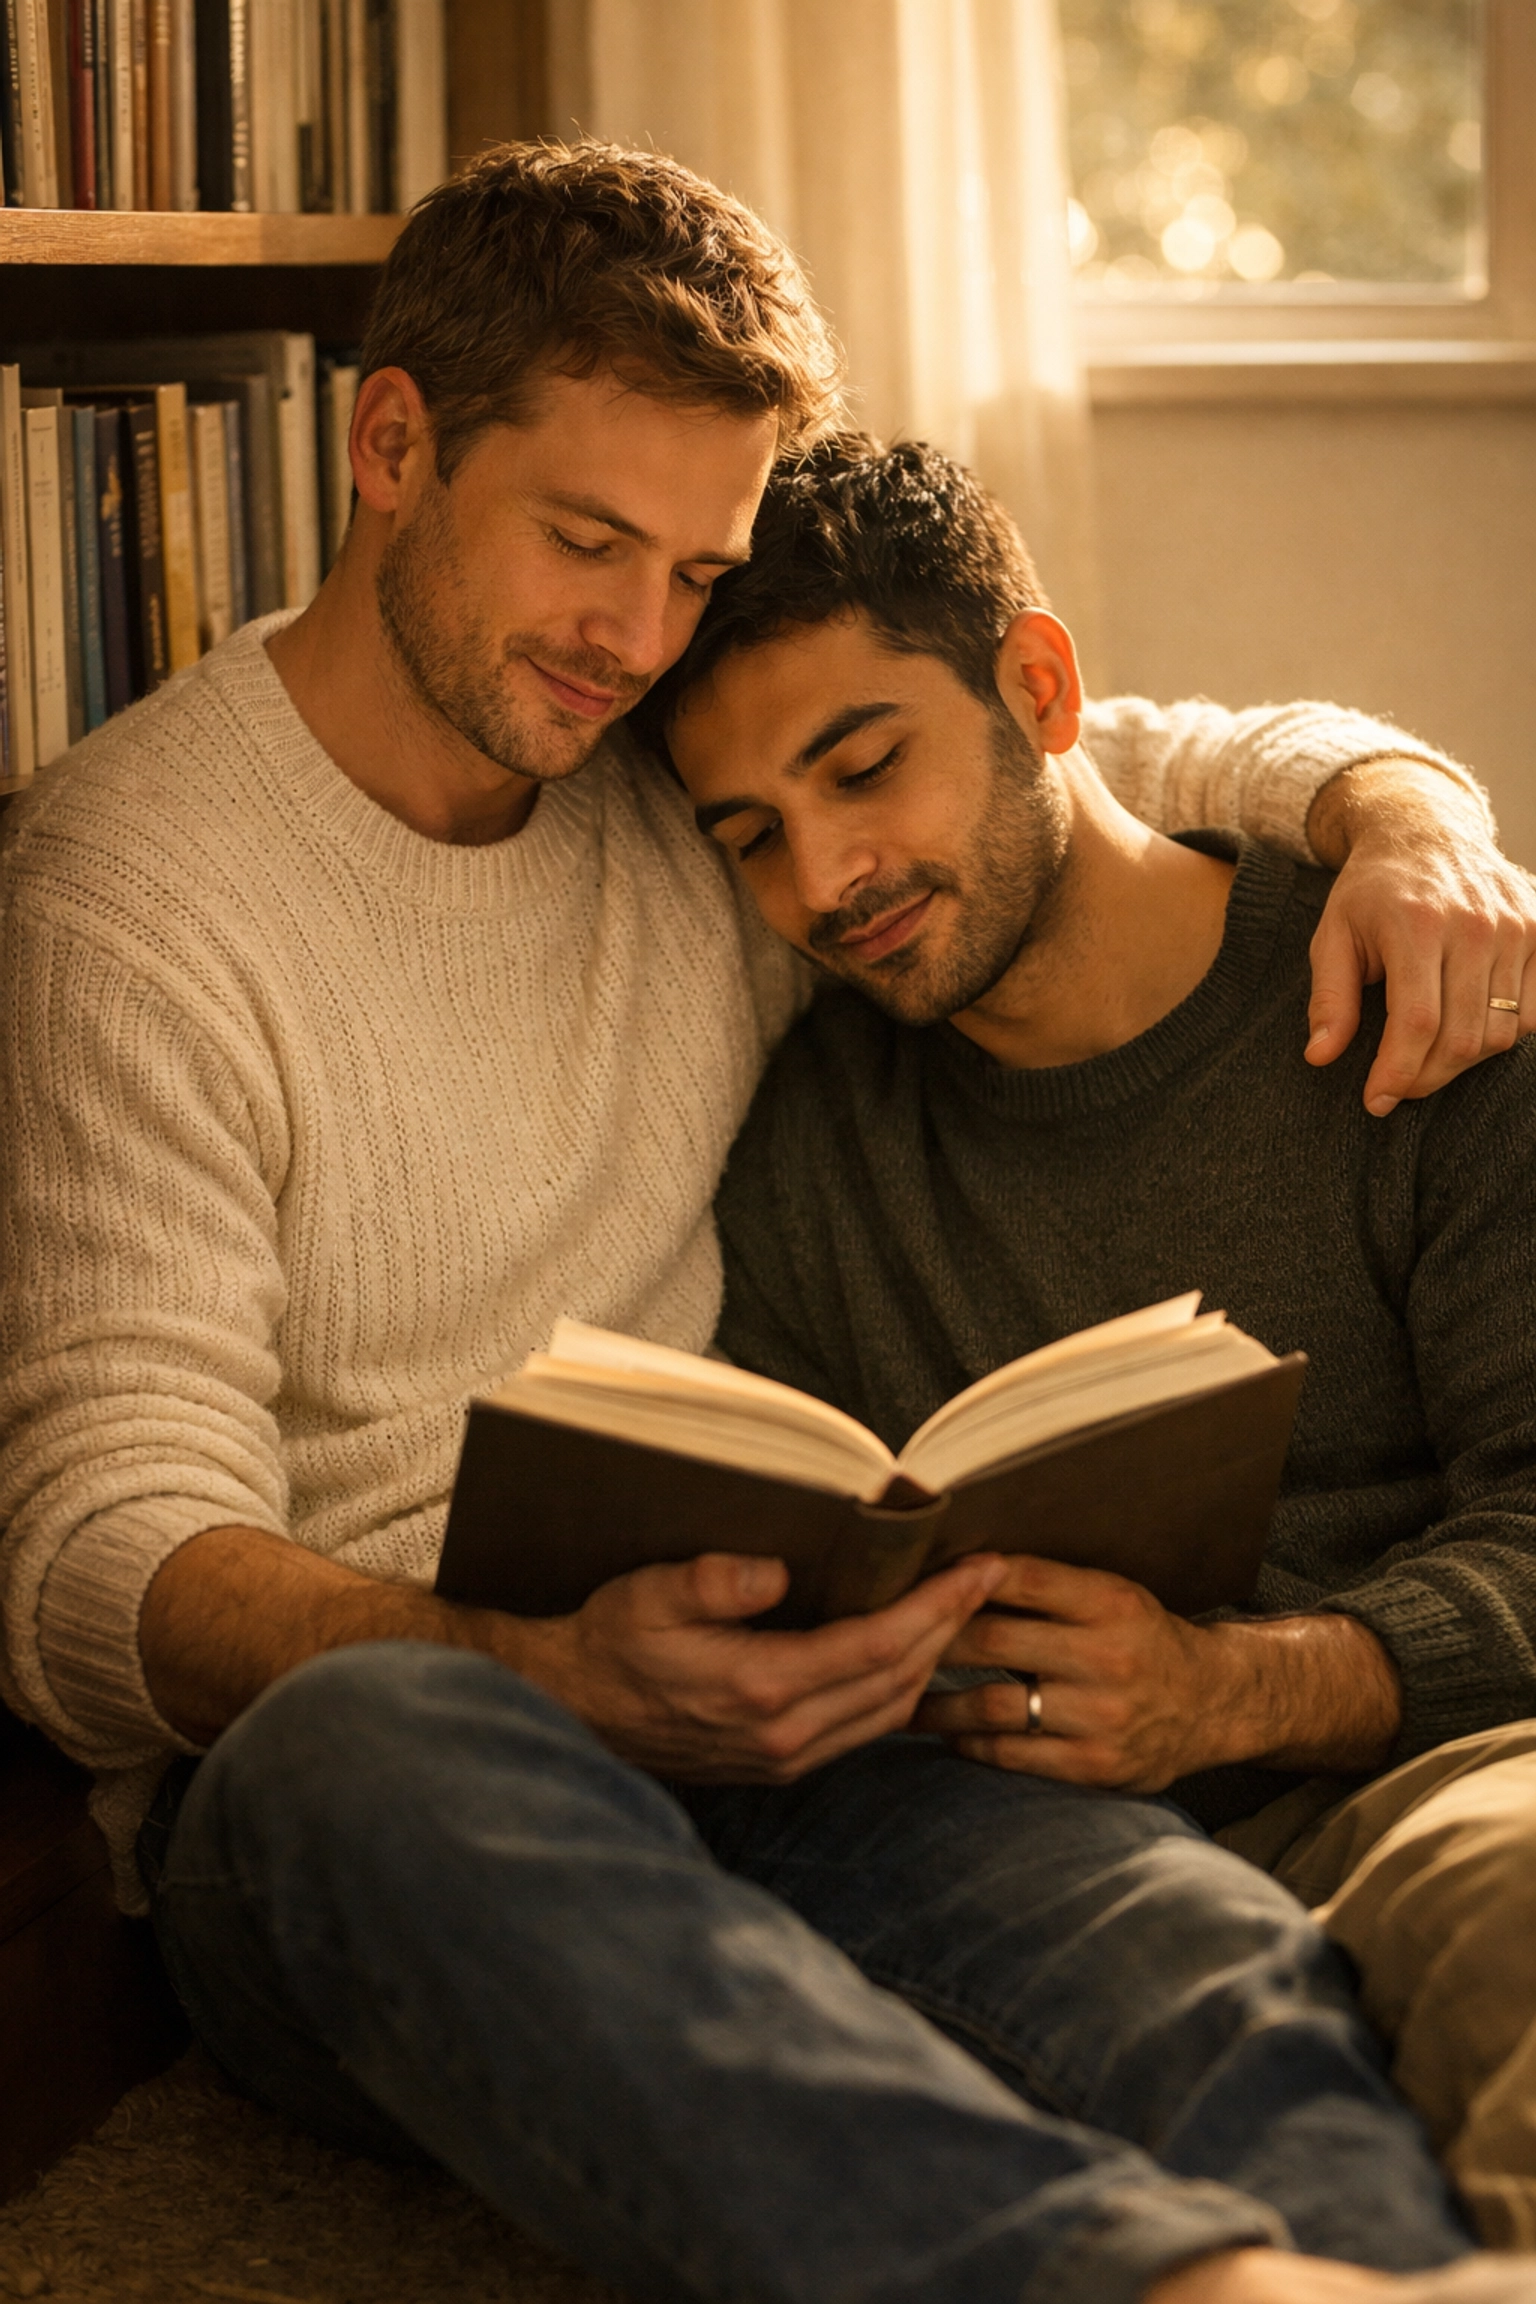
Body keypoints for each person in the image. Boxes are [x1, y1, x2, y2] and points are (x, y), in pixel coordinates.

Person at [2, 143, 1535, 2304]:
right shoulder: (133, 894)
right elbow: (84, 1559)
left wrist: (1408, 812)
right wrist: (529, 1665)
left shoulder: (673, 783)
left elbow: (1092, 760)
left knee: (1188, 1953)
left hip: (790, 1702)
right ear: (388, 444)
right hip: (394, 1778)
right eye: (588, 542)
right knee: (389, 1762)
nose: (639, 637)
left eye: (692, 568)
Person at [640, 432, 1536, 2257]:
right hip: (1055, 1865)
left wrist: (1239, 1690)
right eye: (752, 835)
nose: (825, 880)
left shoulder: (1419, 991)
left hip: (1463, 1768)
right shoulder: (814, 1141)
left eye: (864, 765)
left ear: (1039, 689)